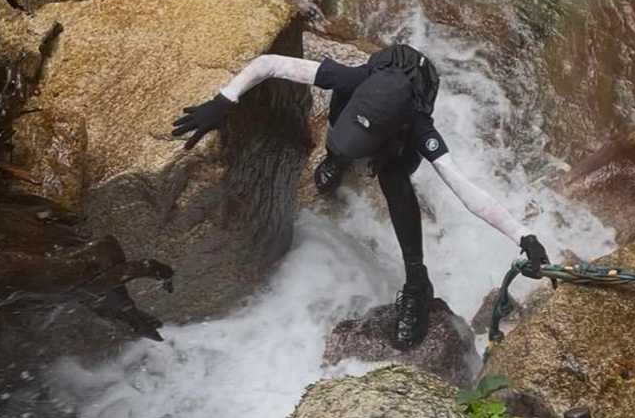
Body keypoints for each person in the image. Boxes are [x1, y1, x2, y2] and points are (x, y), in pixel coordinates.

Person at [173, 42, 549, 348]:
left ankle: (418, 281)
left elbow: (465, 191)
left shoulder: (418, 128)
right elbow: (269, 64)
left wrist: (525, 237)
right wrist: (224, 100)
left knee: (394, 180)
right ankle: (337, 158)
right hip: (363, 101)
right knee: (342, 125)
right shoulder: (351, 79)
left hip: (399, 131)